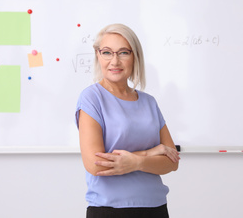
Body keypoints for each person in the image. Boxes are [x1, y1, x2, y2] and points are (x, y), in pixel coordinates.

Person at [75, 23, 180, 218]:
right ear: (98, 56)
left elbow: (171, 161)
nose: (115, 61)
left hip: (155, 208)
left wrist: (136, 162)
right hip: (109, 210)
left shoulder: (149, 102)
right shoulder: (91, 98)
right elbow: (95, 164)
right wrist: (148, 154)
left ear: (135, 57)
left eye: (123, 52)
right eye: (107, 52)